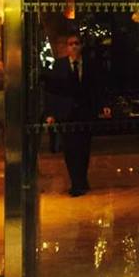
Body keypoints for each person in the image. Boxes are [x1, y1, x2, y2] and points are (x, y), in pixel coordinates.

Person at [44, 30, 97, 196]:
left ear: (81, 46)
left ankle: (81, 179)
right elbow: (52, 91)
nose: (74, 47)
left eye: (76, 44)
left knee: (84, 148)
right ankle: (76, 182)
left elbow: (96, 88)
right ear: (66, 48)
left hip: (84, 113)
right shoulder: (59, 66)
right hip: (66, 113)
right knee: (70, 149)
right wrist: (51, 113)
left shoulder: (89, 64)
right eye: (71, 44)